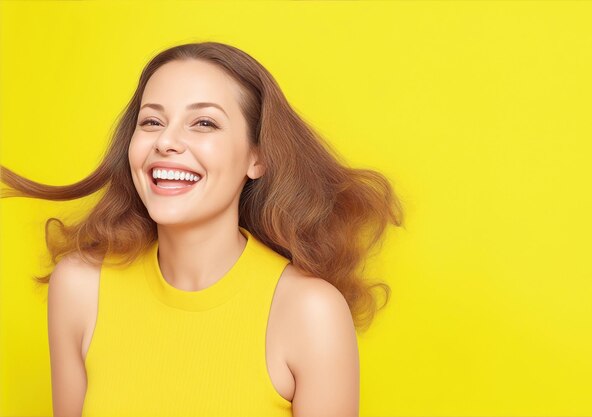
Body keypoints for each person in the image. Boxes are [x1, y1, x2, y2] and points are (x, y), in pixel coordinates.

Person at [0, 41, 405, 417]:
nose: (167, 141)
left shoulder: (310, 312)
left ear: (257, 157)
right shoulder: (80, 288)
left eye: (204, 123)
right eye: (152, 121)